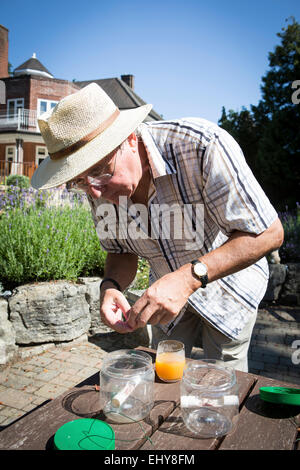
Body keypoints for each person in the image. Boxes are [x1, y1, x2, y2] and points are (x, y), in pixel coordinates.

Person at [31, 83, 284, 372]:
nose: (96, 194)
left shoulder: (202, 145)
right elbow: (120, 249)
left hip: (229, 290)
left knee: (222, 385)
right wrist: (111, 286)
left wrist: (187, 279)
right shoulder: (96, 186)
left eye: (99, 171)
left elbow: (269, 232)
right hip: (163, 299)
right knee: (163, 380)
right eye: (78, 181)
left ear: (128, 138)